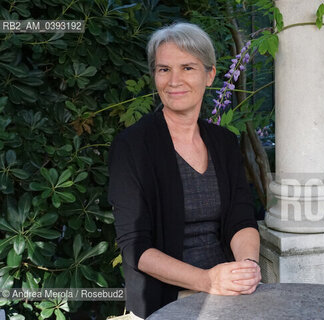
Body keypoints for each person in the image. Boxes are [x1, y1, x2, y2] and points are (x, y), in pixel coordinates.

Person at [107, 22, 261, 319]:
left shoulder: (224, 142)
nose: (174, 80)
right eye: (164, 69)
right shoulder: (132, 147)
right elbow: (136, 248)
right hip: (167, 299)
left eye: (187, 68)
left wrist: (247, 267)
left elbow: (241, 218)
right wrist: (206, 280)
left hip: (228, 291)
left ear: (210, 74)